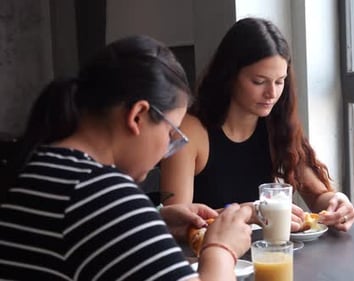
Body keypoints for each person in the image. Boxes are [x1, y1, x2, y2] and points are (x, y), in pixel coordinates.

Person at [0, 35, 252, 281]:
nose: (169, 147)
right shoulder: (100, 192)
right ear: (137, 116)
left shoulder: (35, 167)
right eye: (170, 132)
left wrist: (150, 224)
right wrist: (221, 249)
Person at [159, 17, 354, 232]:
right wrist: (250, 212)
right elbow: (176, 225)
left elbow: (317, 195)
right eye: (259, 82)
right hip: (206, 260)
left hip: (265, 255)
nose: (272, 93)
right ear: (230, 75)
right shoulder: (191, 130)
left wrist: (337, 202)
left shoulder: (277, 125)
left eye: (279, 81)